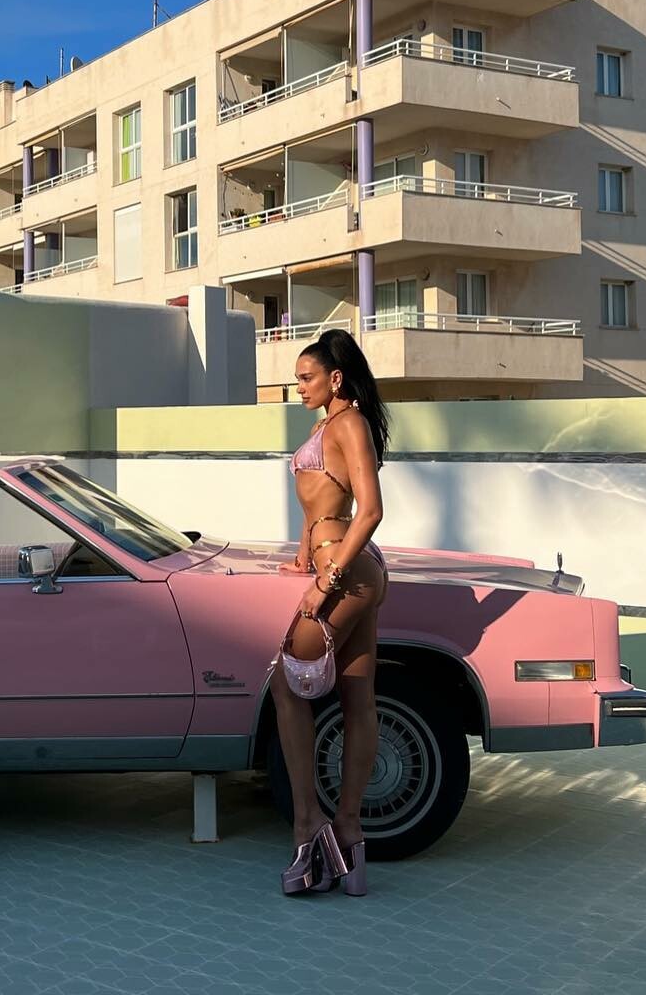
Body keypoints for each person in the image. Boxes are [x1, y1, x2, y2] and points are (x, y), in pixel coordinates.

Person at [273, 328, 390, 897]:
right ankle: (348, 832)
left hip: (348, 575)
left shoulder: (349, 424)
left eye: (306, 377)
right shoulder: (325, 426)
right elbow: (317, 507)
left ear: (335, 378)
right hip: (345, 569)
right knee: (356, 698)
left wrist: (325, 581)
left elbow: (370, 510)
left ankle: (307, 824)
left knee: (286, 686)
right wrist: (302, 560)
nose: (298, 387)